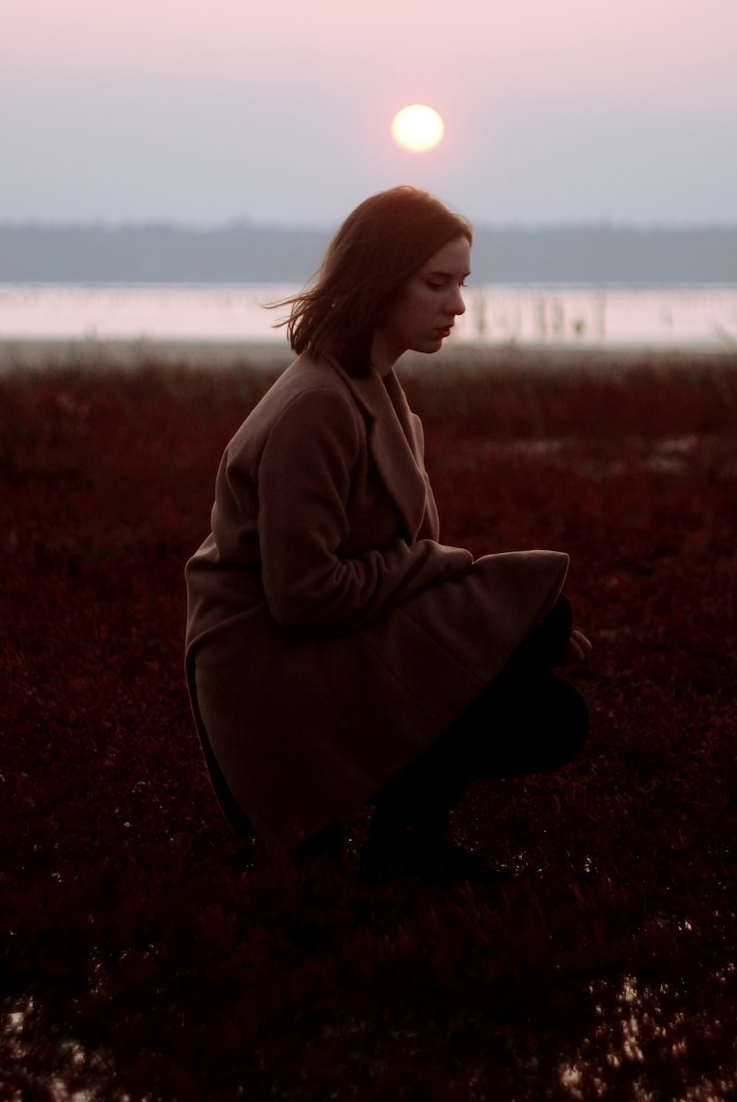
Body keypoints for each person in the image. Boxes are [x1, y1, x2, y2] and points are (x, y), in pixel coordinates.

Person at [184, 187, 590, 882]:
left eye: (461, 284)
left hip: (321, 648)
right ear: (378, 280)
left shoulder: (374, 389)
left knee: (542, 650)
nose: (457, 306)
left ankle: (407, 837)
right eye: (436, 284)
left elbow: (379, 568)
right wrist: (439, 567)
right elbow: (302, 598)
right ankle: (398, 844)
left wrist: (508, 621)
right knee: (539, 656)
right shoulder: (316, 406)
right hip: (268, 675)